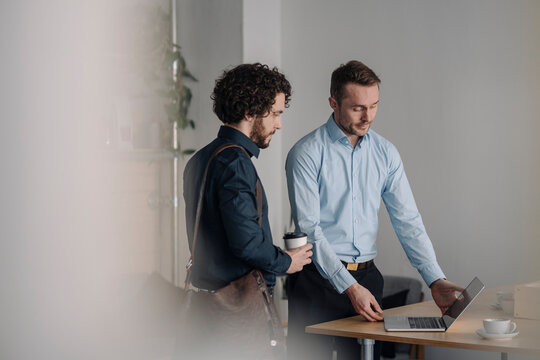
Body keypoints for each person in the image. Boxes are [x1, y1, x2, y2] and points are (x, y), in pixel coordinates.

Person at [285, 60, 463, 360]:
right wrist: (349, 287)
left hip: (367, 281)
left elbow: (407, 220)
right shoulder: (306, 153)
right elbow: (310, 229)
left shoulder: (386, 154)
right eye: (357, 108)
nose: (368, 116)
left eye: (374, 105)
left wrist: (435, 280)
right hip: (316, 281)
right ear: (333, 103)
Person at [183, 63, 313, 358]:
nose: (279, 124)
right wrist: (286, 262)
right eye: (276, 113)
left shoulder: (199, 160)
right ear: (249, 111)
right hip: (238, 314)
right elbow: (247, 244)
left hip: (206, 309)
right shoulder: (235, 165)